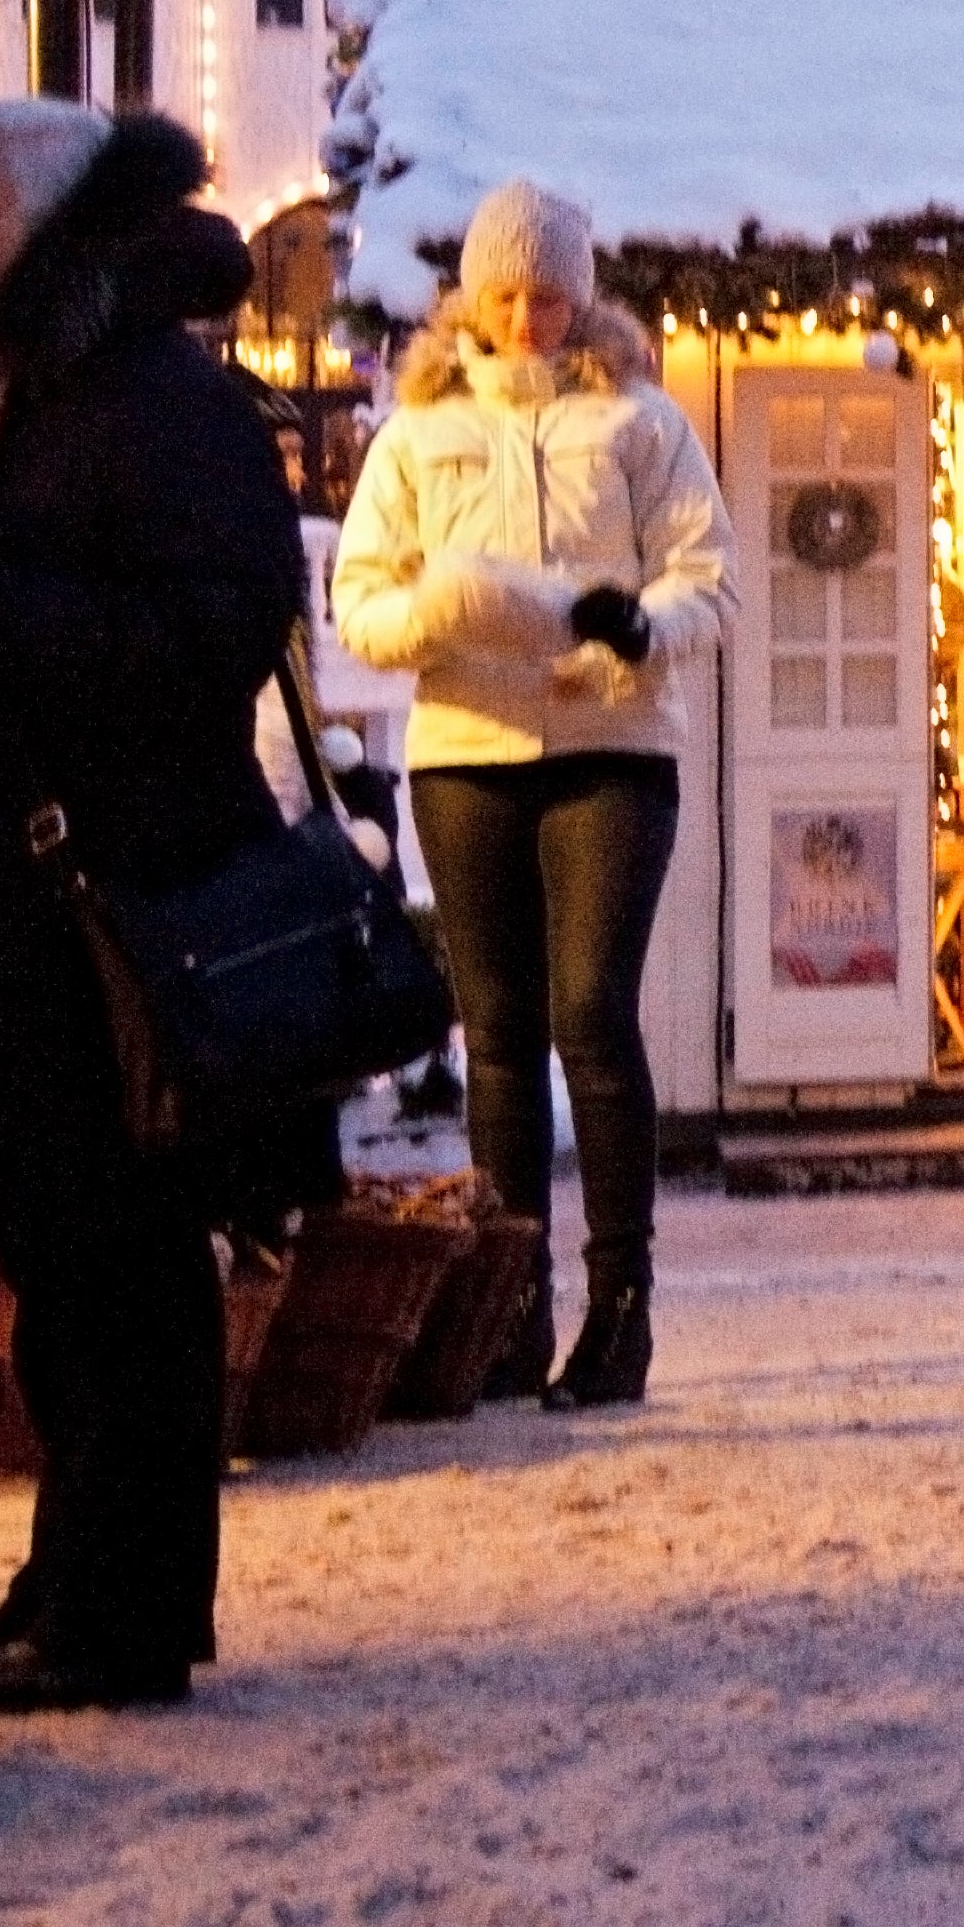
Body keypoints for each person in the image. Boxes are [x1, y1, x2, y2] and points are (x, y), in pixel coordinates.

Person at [0, 100, 309, 1718]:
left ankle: (124, 1616)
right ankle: (67, 1584)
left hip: (115, 902)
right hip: (17, 906)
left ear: (63, 229)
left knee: (125, 1276)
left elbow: (215, 629)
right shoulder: (3, 388)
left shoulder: (161, 400)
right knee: (64, 1273)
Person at [331, 180, 727, 1407]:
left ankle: (621, 1313)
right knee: (496, 1039)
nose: (529, 317)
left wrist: (630, 630)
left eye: (551, 294)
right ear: (470, 296)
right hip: (467, 753)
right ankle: (509, 1311)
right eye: (506, 293)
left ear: (582, 293)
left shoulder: (643, 422)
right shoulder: (416, 435)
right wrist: (446, 609)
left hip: (613, 750)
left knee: (592, 1017)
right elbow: (360, 608)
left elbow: (708, 587)